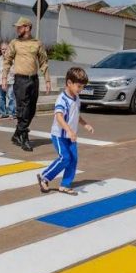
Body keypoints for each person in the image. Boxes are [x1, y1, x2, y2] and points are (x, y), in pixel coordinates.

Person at [37, 67, 94, 196]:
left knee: (73, 159)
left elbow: (75, 115)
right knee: (65, 158)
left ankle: (65, 185)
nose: (81, 89)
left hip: (71, 136)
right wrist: (68, 130)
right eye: (79, 86)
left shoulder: (76, 98)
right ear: (69, 83)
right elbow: (59, 117)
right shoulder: (62, 99)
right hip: (59, 135)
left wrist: (85, 124)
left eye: (83, 87)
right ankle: (44, 177)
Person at [2, 16, 51, 152]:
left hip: (34, 79)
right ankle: (24, 138)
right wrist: (4, 78)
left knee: (31, 110)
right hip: (20, 80)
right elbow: (7, 61)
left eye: (20, 27)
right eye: (17, 27)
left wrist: (47, 80)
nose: (17, 29)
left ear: (27, 28)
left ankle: (17, 134)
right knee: (23, 109)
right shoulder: (14, 43)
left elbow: (43, 62)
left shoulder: (37, 43)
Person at [0, 41, 16, 119]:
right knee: (1, 98)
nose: (4, 50)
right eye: (2, 49)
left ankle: (12, 113)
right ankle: (3, 113)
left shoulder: (12, 59)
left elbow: (14, 71)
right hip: (0, 82)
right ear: (0, 50)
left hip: (10, 81)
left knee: (11, 97)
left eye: (5, 49)